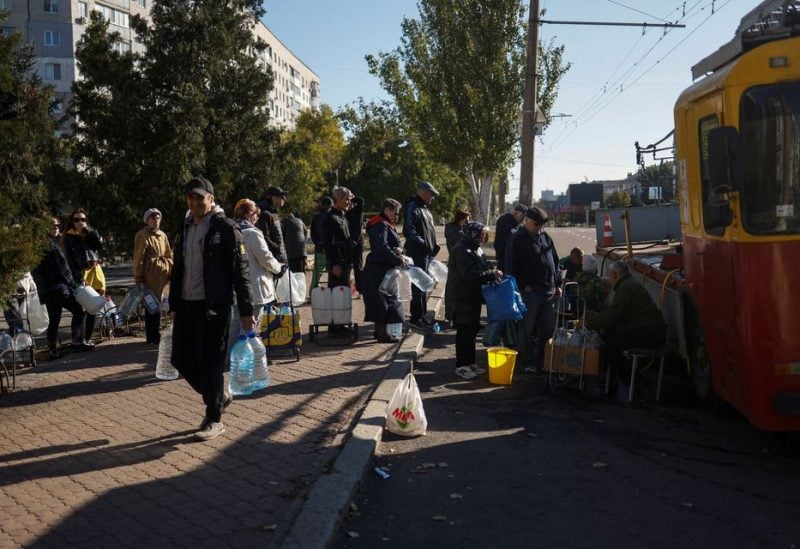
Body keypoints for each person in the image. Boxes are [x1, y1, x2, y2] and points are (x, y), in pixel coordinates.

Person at [168, 176, 254, 442]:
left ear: (211, 199)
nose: (194, 202)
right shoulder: (184, 228)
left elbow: (241, 271)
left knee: (211, 362)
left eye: (199, 197)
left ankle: (213, 418)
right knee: (179, 359)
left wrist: (246, 310)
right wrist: (172, 303)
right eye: (190, 197)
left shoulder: (225, 228)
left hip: (213, 306)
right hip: (185, 304)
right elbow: (178, 269)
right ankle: (218, 396)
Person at [582, 260, 666, 384]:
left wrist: (588, 324)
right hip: (648, 329)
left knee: (609, 348)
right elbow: (617, 314)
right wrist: (597, 317)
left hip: (649, 332)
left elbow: (613, 315)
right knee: (609, 337)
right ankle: (612, 381)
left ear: (615, 275)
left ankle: (635, 383)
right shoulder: (628, 284)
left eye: (610, 276)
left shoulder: (626, 287)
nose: (609, 279)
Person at [505, 206, 562, 373]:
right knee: (526, 329)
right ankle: (528, 361)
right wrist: (524, 286)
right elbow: (511, 266)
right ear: (528, 220)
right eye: (537, 224)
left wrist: (557, 283)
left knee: (548, 329)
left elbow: (555, 261)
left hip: (548, 291)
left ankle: (543, 361)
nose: (539, 228)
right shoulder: (517, 239)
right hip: (530, 293)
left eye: (541, 225)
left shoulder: (545, 237)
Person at [445, 222, 502, 379]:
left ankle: (470, 362)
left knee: (472, 329)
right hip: (461, 297)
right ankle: (461, 365)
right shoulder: (461, 249)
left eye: (485, 235)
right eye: (482, 235)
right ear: (474, 234)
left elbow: (483, 266)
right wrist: (491, 274)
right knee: (464, 331)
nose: (484, 238)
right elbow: (469, 275)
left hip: (473, 296)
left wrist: (492, 270)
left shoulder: (475, 247)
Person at [231, 199, 285, 351]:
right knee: (250, 326)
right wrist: (278, 268)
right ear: (249, 214)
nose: (257, 218)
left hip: (236, 288)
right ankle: (242, 357)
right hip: (255, 288)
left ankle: (231, 355)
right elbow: (265, 258)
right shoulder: (251, 233)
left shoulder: (232, 230)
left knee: (235, 325)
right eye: (256, 215)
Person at [31, 215, 86, 359]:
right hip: (59, 289)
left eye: (58, 225)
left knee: (54, 320)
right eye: (53, 226)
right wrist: (73, 284)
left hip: (48, 291)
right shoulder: (51, 245)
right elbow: (63, 268)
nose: (57, 228)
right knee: (78, 311)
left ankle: (53, 350)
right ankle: (76, 342)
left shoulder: (38, 245)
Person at [362, 199, 406, 343]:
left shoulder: (384, 224)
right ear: (387, 210)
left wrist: (399, 253)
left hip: (382, 268)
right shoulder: (380, 224)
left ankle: (380, 331)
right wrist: (397, 259)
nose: (396, 216)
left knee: (383, 300)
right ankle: (382, 333)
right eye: (395, 212)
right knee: (381, 301)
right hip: (378, 269)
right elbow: (382, 246)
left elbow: (387, 245)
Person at [62, 208, 104, 348]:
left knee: (94, 306)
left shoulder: (90, 233)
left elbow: (100, 244)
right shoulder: (68, 237)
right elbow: (69, 260)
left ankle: (88, 338)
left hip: (96, 272)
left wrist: (89, 230)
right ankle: (77, 340)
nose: (80, 222)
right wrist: (77, 278)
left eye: (83, 219)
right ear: (72, 222)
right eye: (77, 220)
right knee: (81, 309)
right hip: (82, 274)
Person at [402, 181, 440, 330]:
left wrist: (433, 246)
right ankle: (416, 317)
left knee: (423, 285)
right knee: (418, 285)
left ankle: (422, 315)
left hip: (425, 253)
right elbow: (409, 231)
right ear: (423, 192)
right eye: (431, 194)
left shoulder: (424, 209)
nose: (433, 198)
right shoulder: (412, 206)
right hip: (416, 253)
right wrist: (424, 244)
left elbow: (429, 231)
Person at [133, 208, 173, 345]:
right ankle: (152, 336)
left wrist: (171, 269)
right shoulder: (142, 235)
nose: (155, 221)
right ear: (147, 220)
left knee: (164, 305)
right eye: (152, 218)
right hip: (150, 276)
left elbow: (168, 253)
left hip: (164, 274)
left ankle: (157, 333)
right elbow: (139, 257)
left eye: (157, 218)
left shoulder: (162, 235)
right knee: (151, 306)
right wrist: (139, 277)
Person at [256, 186, 288, 264]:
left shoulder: (273, 212)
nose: (284, 199)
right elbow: (265, 237)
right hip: (274, 259)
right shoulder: (264, 213)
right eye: (281, 196)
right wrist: (277, 249)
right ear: (274, 198)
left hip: (280, 257)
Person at [494, 204, 527, 272]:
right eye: (522, 217)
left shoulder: (516, 224)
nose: (523, 220)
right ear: (516, 213)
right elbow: (509, 237)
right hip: (504, 258)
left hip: (512, 259)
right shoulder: (504, 221)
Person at [310, 196, 332, 289]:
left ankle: (312, 293)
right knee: (333, 272)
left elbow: (312, 233)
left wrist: (318, 243)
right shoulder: (333, 216)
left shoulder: (316, 216)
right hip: (332, 248)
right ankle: (332, 292)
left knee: (317, 273)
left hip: (320, 248)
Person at [346, 196, 366, 295]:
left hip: (357, 243)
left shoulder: (357, 212)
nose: (348, 205)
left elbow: (361, 201)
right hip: (347, 243)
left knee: (358, 267)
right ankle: (346, 289)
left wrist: (350, 198)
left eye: (349, 203)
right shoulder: (344, 213)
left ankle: (361, 291)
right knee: (347, 267)